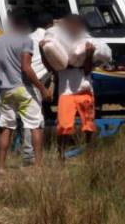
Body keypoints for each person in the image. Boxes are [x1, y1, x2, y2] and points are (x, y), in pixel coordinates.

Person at [0, 10, 52, 171]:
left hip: (5, 91)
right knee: (35, 125)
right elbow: (26, 68)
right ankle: (38, 165)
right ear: (24, 24)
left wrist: (1, 79)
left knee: (6, 128)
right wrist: (43, 88)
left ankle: (1, 167)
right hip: (24, 89)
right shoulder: (25, 40)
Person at [42, 14, 97, 160]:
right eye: (69, 24)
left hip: (84, 89)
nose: (72, 27)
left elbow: (87, 70)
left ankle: (90, 155)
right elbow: (51, 67)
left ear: (79, 26)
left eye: (74, 24)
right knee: (64, 126)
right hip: (65, 92)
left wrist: (89, 55)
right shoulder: (60, 43)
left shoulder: (85, 42)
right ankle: (61, 156)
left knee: (88, 125)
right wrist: (43, 51)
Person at [21, 12, 55, 165]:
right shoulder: (48, 38)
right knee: (34, 122)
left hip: (23, 81)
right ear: (50, 25)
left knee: (28, 118)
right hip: (36, 81)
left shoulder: (29, 37)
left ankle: (29, 153)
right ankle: (30, 156)